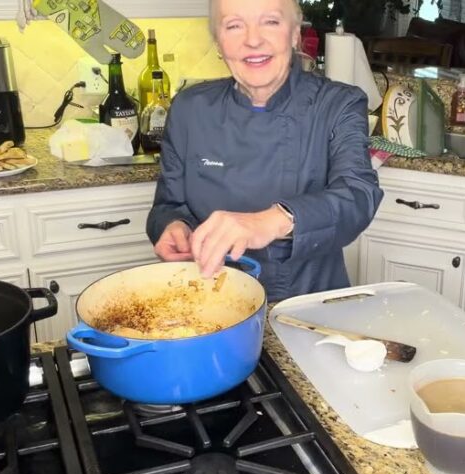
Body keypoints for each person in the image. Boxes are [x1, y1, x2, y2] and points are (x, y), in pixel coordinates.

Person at [146, 0, 383, 302]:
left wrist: (269, 221)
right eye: (233, 25)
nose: (253, 39)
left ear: (295, 33)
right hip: (210, 304)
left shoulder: (338, 104)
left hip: (308, 307)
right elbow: (167, 205)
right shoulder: (190, 108)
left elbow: (358, 196)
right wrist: (171, 226)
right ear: (218, 42)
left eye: (270, 21)